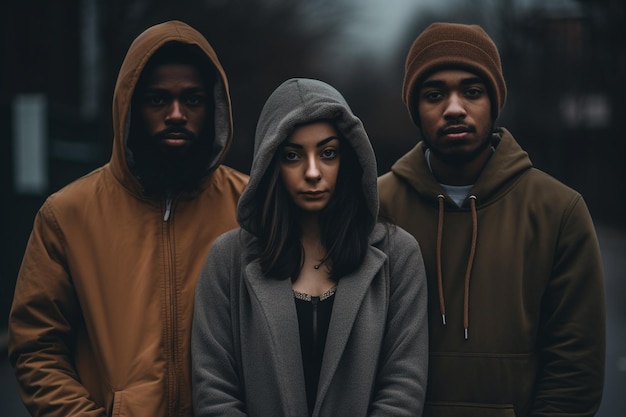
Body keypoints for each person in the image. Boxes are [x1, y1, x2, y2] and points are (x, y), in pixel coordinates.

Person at [8, 20, 248, 417]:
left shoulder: (252, 207)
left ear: (214, 107)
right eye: (157, 100)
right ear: (131, 106)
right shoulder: (67, 215)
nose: (176, 114)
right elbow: (36, 346)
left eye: (192, 100)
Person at [378, 22, 606, 416]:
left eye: (471, 91)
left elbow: (575, 372)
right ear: (415, 108)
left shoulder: (558, 211)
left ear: (494, 102)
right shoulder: (375, 206)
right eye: (434, 94)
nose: (454, 108)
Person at [191, 78, 429, 417]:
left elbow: (402, 389)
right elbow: (214, 390)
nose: (313, 172)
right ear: (269, 164)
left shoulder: (398, 256)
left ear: (349, 158)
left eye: (328, 153)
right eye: (292, 156)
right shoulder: (227, 260)